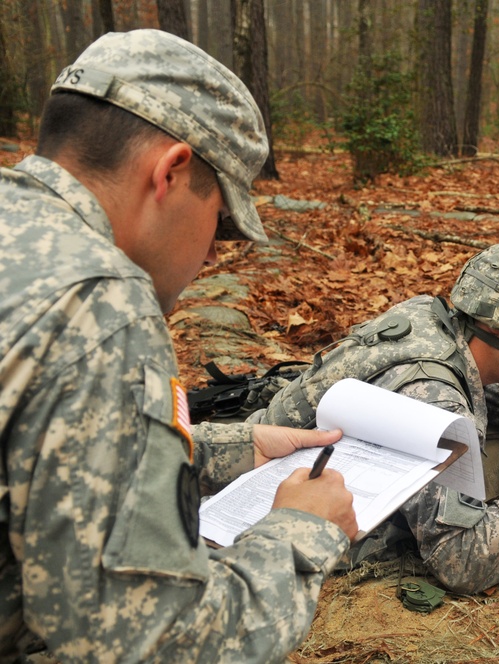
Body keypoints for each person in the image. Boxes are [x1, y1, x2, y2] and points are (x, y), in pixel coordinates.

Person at [0, 30, 358, 661]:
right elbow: (151, 641)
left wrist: (233, 445)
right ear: (171, 170)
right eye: (220, 221)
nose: (212, 252)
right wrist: (302, 533)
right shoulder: (100, 303)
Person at [248, 242, 499, 594]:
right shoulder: (436, 401)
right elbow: (463, 560)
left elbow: (466, 384)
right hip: (268, 522)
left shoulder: (428, 320)